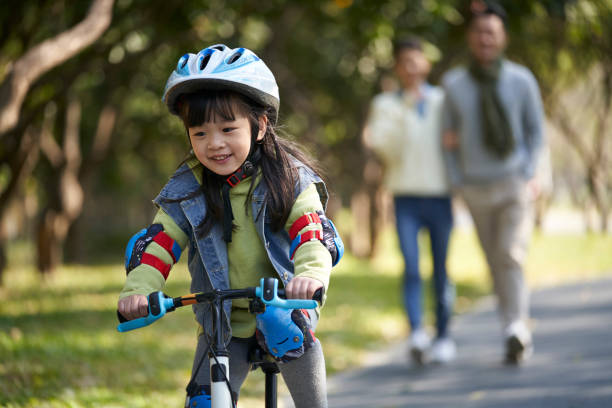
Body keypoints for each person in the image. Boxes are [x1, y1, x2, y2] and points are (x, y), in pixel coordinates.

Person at [117, 44, 343, 407]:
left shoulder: (288, 177)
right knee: (203, 401)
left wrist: (311, 276)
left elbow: (311, 233)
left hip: (284, 303)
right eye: (200, 133)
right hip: (222, 319)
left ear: (259, 126)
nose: (215, 144)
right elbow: (159, 243)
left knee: (284, 328)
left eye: (227, 128)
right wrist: (138, 291)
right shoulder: (188, 186)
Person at [441, 1, 544, 364]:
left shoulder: (522, 80)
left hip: (514, 181)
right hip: (475, 187)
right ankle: (511, 326)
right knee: (493, 260)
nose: (486, 38)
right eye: (480, 32)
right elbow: (447, 138)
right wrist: (456, 183)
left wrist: (532, 173)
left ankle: (516, 326)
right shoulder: (454, 84)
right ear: (471, 37)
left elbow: (536, 133)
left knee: (511, 254)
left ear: (502, 38)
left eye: (493, 33)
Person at [364, 38, 455, 365]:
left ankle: (444, 336)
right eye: (405, 62)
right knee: (412, 268)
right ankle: (417, 332)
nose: (412, 67)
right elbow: (387, 150)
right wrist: (405, 110)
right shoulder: (385, 105)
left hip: (441, 197)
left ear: (426, 63)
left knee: (442, 269)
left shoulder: (444, 101)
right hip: (404, 198)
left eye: (417, 60)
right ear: (398, 68)